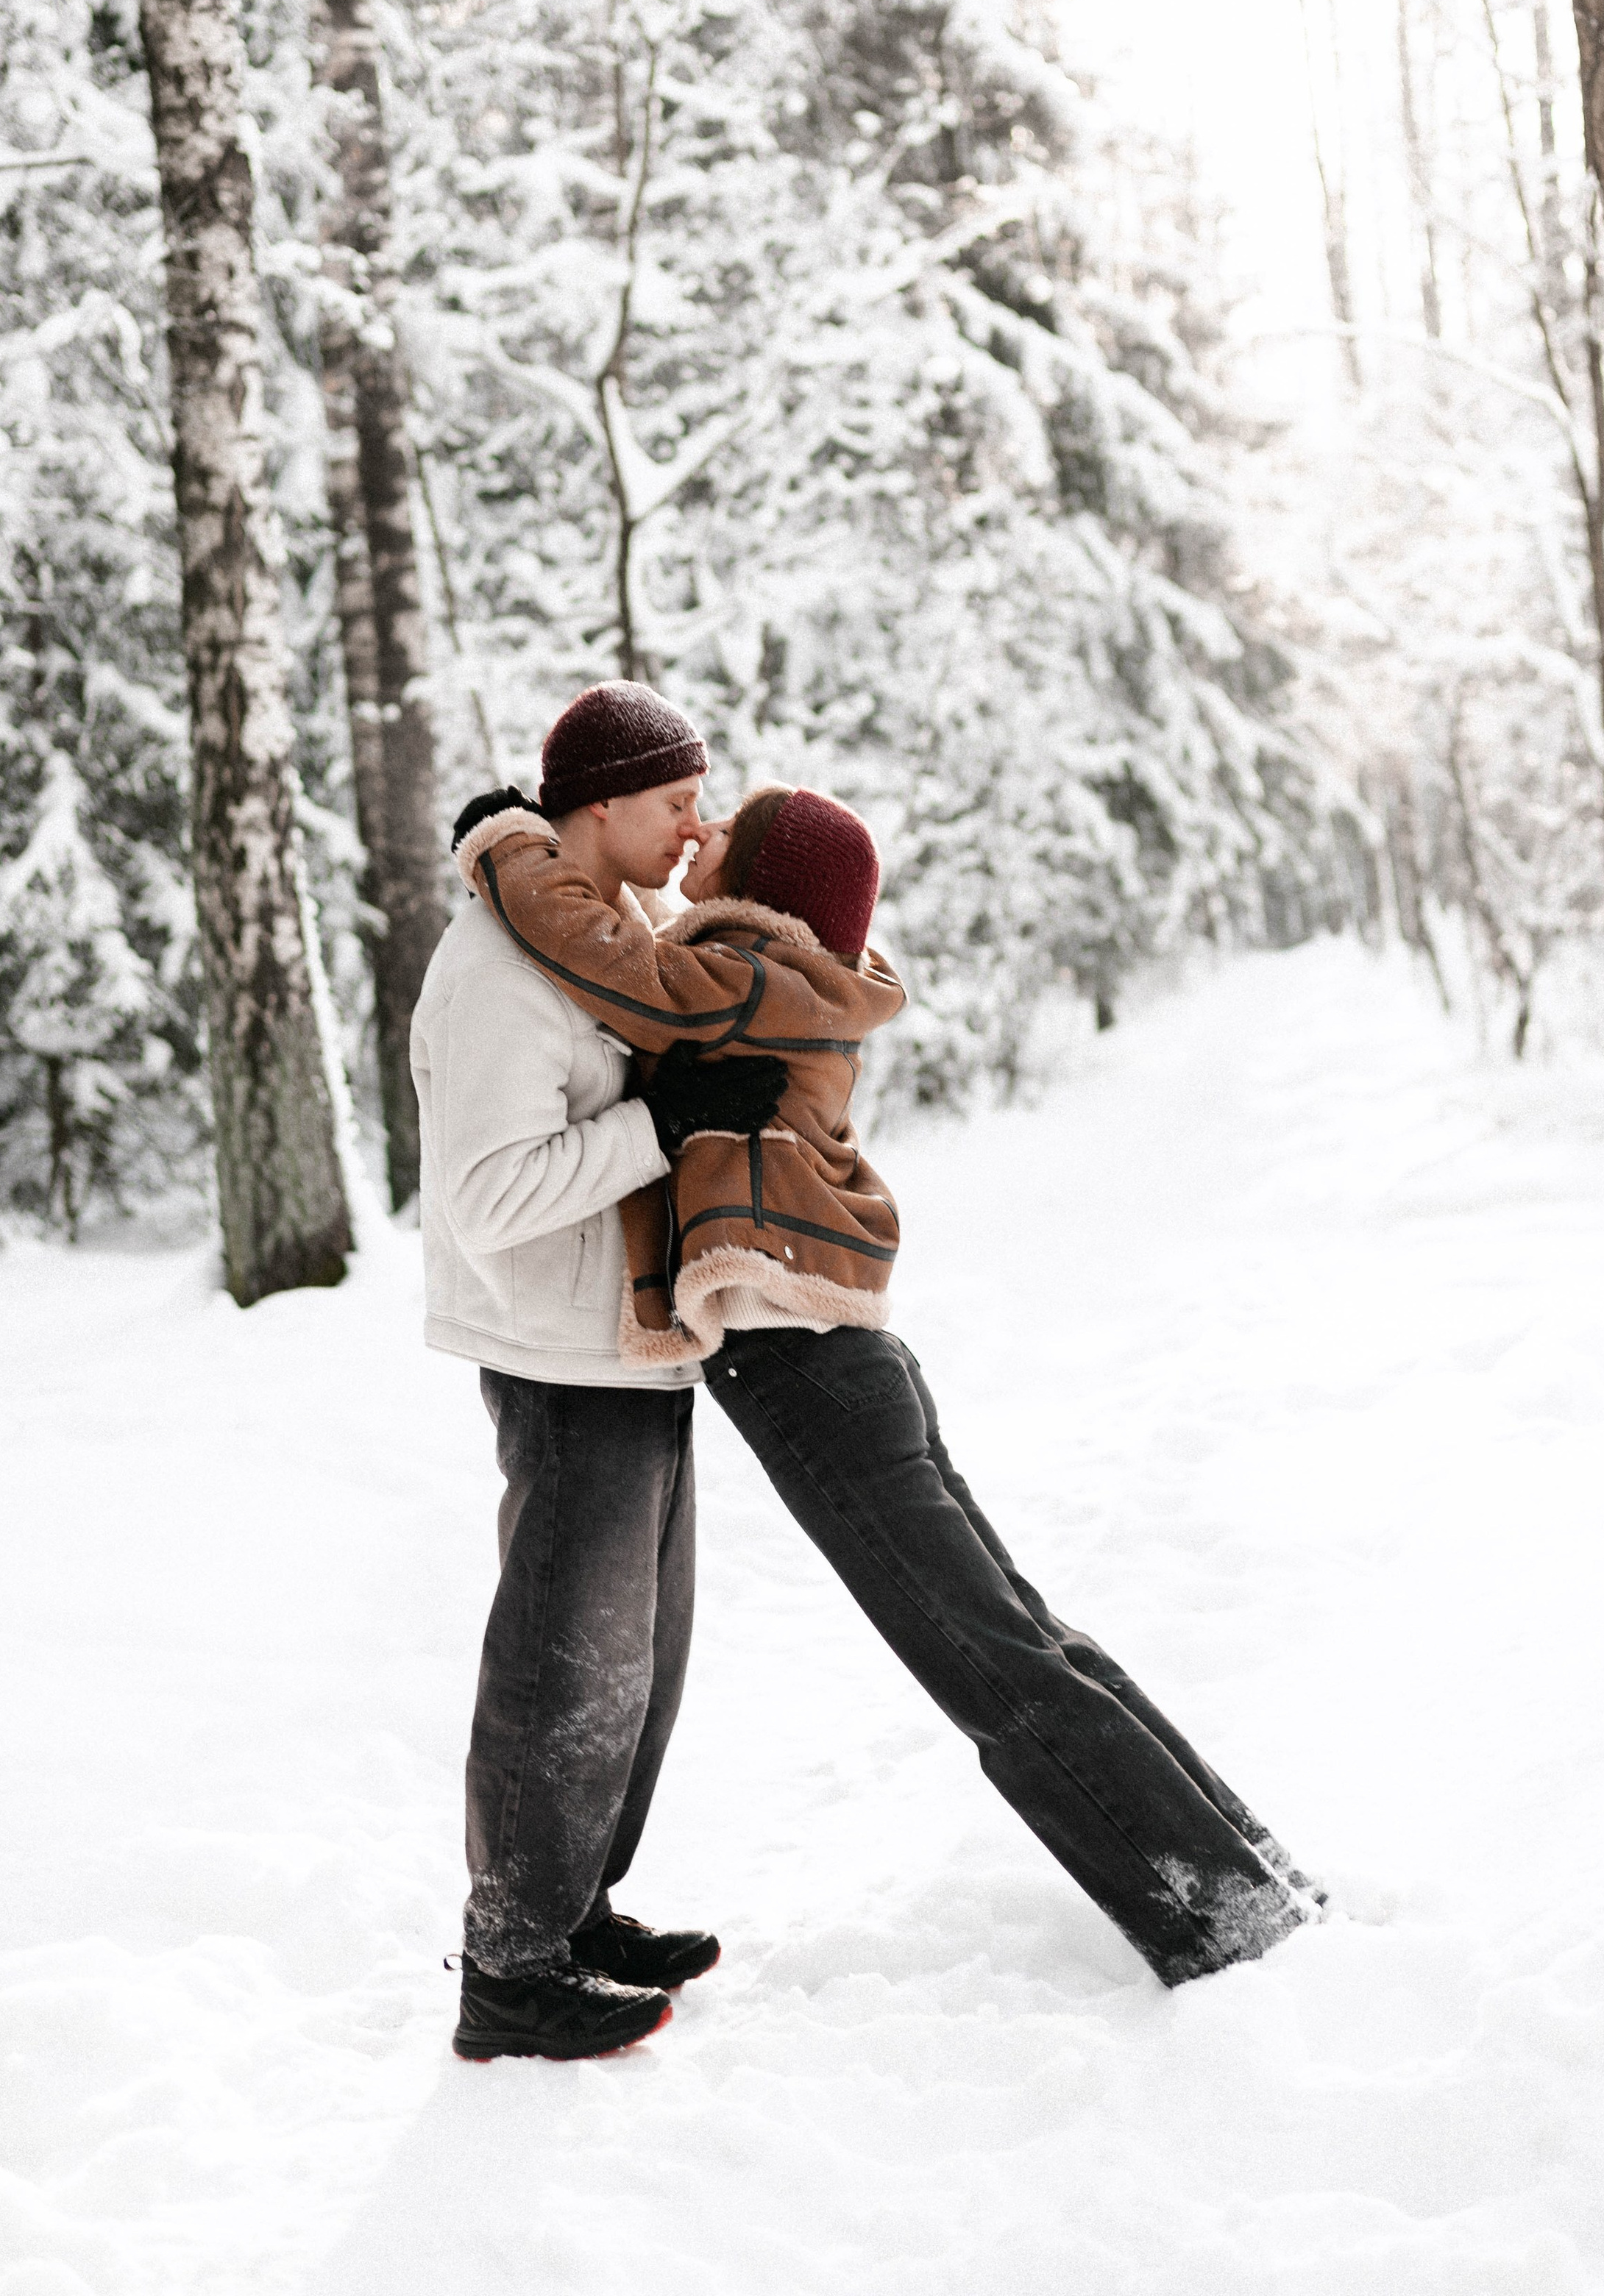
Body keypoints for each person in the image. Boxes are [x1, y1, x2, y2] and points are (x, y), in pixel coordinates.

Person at [453, 763, 1318, 1989]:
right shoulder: (790, 981)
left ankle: (1220, 1915)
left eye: (721, 837)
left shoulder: (739, 981)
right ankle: (1246, 1874)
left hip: (810, 1374)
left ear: (762, 893)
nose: (693, 843)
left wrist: (508, 846)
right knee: (1022, 1639)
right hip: (844, 1359)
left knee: (991, 1665)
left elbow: (609, 962)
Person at [411, 683, 787, 2064]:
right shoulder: (503, 968)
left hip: (628, 1344)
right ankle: (511, 1965)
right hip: (557, 1353)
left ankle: (574, 1911)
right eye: (677, 798)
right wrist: (662, 1124)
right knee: (564, 1662)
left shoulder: (600, 931)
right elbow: (491, 1196)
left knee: (640, 1658)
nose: (698, 820)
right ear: (601, 806)